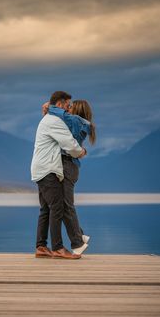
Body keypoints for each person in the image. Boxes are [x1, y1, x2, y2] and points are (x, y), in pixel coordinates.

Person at [31, 91, 88, 259]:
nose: (69, 108)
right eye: (68, 105)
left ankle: (41, 246)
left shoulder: (47, 119)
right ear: (61, 104)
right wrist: (81, 152)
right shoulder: (55, 121)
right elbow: (70, 144)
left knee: (46, 209)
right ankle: (57, 248)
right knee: (57, 208)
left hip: (40, 169)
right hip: (48, 170)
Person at [46, 100, 96, 254]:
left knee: (67, 205)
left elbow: (57, 112)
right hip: (71, 167)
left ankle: (77, 243)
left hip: (67, 166)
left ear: (77, 109)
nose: (68, 108)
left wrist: (49, 106)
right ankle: (79, 235)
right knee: (64, 204)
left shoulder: (74, 120)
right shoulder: (83, 123)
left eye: (70, 106)